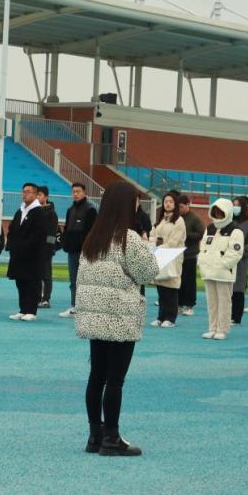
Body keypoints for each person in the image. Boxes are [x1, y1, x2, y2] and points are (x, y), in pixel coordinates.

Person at [75, 181, 159, 457]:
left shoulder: (94, 236)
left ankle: (95, 434)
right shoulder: (128, 238)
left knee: (96, 376)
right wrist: (147, 247)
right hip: (120, 315)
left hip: (95, 315)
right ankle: (112, 437)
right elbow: (147, 273)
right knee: (115, 380)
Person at [198, 198, 245, 340]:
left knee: (224, 302)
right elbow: (203, 247)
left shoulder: (235, 231)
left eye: (221, 212)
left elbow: (236, 252)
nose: (218, 215)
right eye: (216, 212)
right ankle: (212, 328)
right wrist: (202, 261)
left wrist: (223, 264)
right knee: (211, 302)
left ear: (228, 212)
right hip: (208, 271)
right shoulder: (210, 228)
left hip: (224, 273)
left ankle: (222, 329)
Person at [6, 182, 48, 321]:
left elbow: (38, 235)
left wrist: (24, 247)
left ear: (35, 194)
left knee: (32, 283)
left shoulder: (39, 212)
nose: (25, 194)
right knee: (21, 282)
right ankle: (23, 309)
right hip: (18, 255)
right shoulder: (20, 211)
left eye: (28, 192)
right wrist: (11, 245)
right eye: (23, 191)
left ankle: (31, 311)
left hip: (32, 256)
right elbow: (12, 229)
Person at [59, 182, 98, 318]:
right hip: (72, 252)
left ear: (84, 192)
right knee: (73, 281)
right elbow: (67, 229)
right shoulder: (70, 210)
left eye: (78, 191)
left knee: (86, 281)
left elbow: (92, 233)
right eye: (73, 191)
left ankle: (87, 308)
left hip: (85, 253)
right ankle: (74, 306)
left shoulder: (90, 209)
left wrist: (88, 250)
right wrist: (65, 244)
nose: (75, 194)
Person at [151, 192, 187, 327]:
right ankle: (161, 317)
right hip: (159, 256)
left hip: (172, 257)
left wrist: (158, 247)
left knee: (171, 288)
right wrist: (153, 244)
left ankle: (170, 318)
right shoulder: (161, 219)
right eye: (166, 201)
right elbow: (152, 234)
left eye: (171, 201)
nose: (168, 204)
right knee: (161, 287)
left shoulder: (179, 221)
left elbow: (173, 242)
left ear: (175, 204)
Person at [230, 196, 248, 325]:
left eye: (237, 205)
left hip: (241, 260)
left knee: (238, 288)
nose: (235, 207)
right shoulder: (229, 221)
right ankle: (227, 314)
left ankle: (236, 317)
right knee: (228, 288)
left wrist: (241, 252)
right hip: (228, 259)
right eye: (233, 204)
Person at [178, 195, 205, 317]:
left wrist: (185, 235)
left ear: (187, 205)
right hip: (178, 254)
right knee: (178, 280)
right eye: (178, 207)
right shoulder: (177, 217)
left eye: (181, 207)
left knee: (189, 281)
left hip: (190, 254)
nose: (179, 209)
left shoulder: (195, 218)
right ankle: (179, 304)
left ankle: (190, 305)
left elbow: (201, 234)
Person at [36, 185, 60, 309]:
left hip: (46, 249)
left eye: (40, 195)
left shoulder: (51, 213)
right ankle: (37, 297)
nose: (37, 197)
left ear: (46, 196)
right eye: (36, 194)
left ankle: (46, 299)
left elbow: (52, 233)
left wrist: (49, 248)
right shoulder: (34, 211)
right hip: (35, 249)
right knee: (36, 275)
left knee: (46, 275)